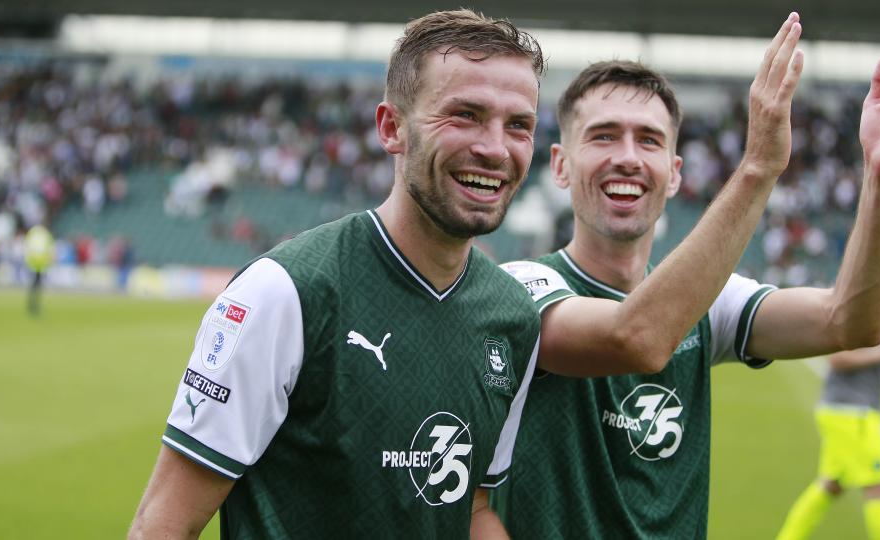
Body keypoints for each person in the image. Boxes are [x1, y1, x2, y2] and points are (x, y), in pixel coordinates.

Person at [130, 9, 809, 538]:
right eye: (465, 115)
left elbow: (473, 506)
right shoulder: (289, 293)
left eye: (518, 124)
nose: (494, 147)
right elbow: (166, 522)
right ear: (392, 128)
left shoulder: (509, 318)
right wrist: (757, 169)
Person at [491, 27, 880, 540]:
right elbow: (635, 337)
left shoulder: (709, 303)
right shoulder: (519, 288)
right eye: (604, 135)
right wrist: (759, 167)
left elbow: (850, 321)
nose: (629, 157)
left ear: (674, 174)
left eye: (649, 140)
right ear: (561, 166)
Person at [776, 321, 880, 540]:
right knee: (879, 488)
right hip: (853, 414)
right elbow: (838, 358)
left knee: (832, 485)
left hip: (845, 412)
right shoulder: (864, 308)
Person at [23, 223, 55, 316]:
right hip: (40, 264)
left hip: (33, 263)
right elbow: (50, 250)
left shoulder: (33, 233)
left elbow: (27, 246)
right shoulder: (45, 235)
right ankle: (34, 305)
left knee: (34, 285)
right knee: (37, 286)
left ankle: (32, 304)